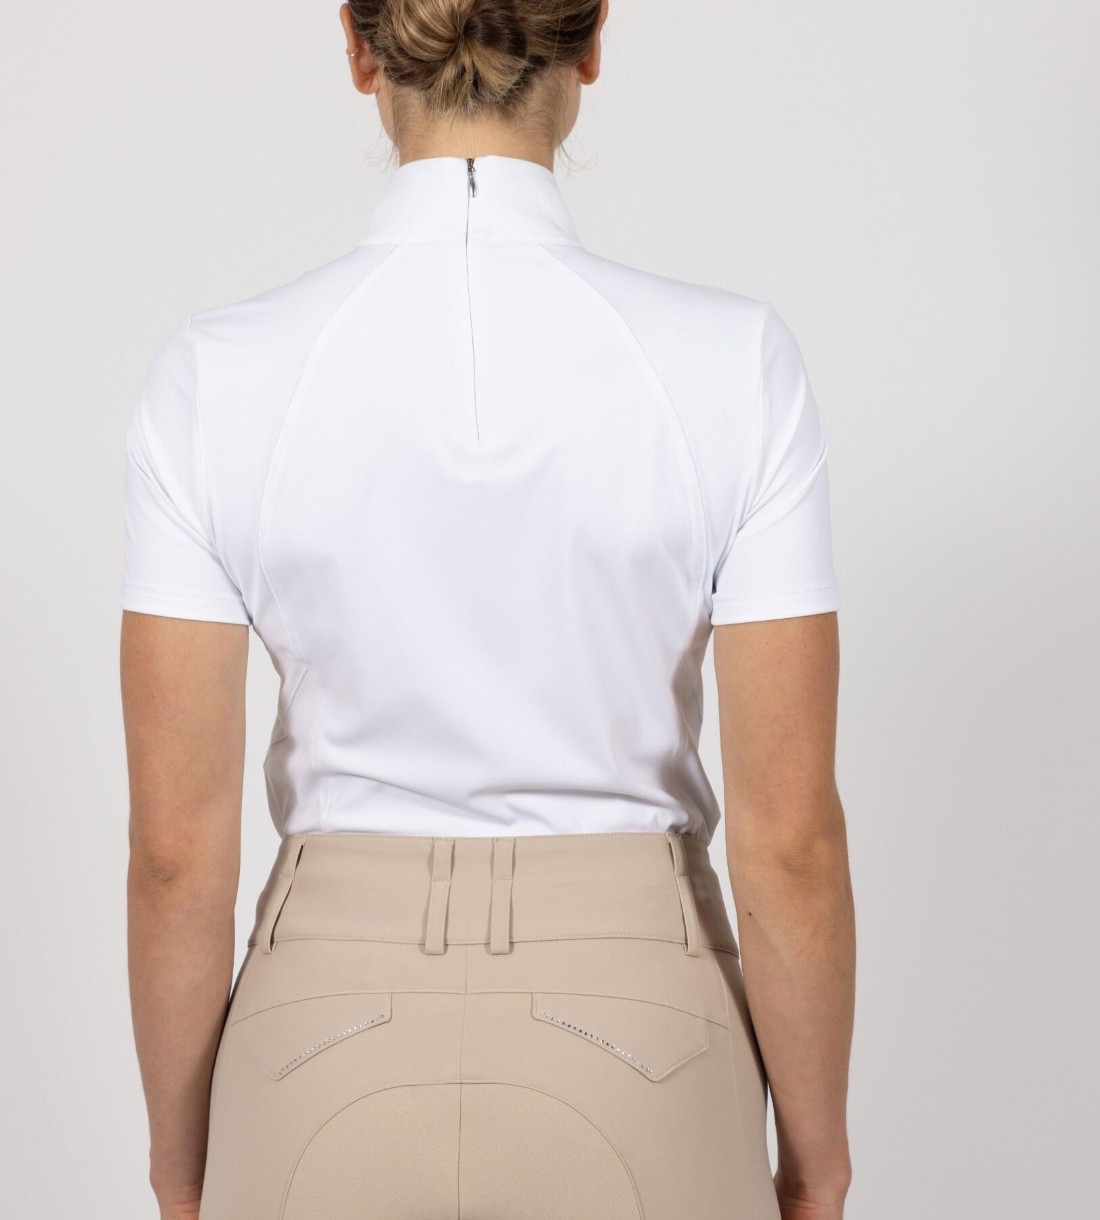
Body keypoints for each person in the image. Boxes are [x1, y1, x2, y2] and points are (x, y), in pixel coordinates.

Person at [119, 1, 856, 1217]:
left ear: (358, 49)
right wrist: (814, 1161)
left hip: (312, 1045)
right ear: (590, 43)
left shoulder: (216, 376)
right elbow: (788, 841)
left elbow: (173, 855)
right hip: (645, 1043)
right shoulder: (734, 365)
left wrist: (184, 1159)